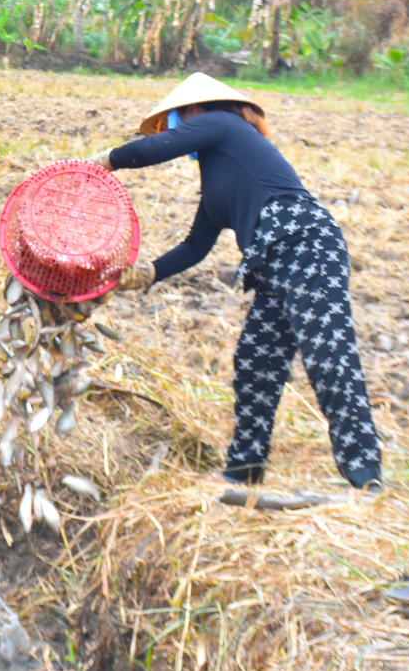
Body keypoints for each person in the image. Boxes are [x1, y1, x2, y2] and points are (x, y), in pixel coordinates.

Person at [88, 73, 382, 491]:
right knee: (255, 362)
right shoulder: (216, 182)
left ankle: (365, 474)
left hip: (306, 242)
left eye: (177, 118)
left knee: (327, 352)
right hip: (270, 261)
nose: (176, 127)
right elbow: (196, 245)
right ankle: (245, 469)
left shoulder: (224, 122)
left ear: (193, 110)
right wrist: (147, 273)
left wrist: (105, 161)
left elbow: (156, 148)